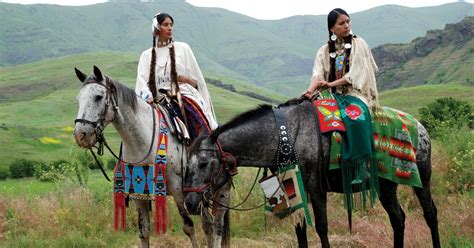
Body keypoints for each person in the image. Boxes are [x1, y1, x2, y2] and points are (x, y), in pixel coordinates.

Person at [135, 12, 218, 130]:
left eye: (171, 25)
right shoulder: (146, 55)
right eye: (165, 24)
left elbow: (197, 82)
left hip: (183, 95)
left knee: (197, 121)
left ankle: (204, 145)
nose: (169, 28)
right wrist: (148, 98)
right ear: (157, 29)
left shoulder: (183, 48)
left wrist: (185, 79)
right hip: (157, 99)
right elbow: (141, 82)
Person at [303, 8, 378, 107]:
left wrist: (330, 84)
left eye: (348, 21)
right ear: (332, 29)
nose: (346, 26)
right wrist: (310, 91)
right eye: (341, 23)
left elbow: (354, 76)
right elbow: (318, 75)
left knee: (356, 117)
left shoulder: (359, 44)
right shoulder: (324, 51)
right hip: (331, 94)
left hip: (355, 94)